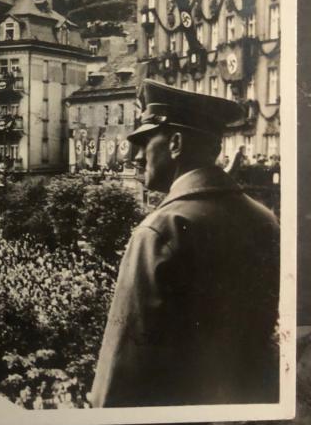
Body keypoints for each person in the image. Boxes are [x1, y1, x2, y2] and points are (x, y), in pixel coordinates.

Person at [90, 80, 280, 408]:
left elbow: (120, 376)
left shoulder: (161, 231)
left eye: (145, 141)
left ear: (175, 143)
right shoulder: (265, 220)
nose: (135, 155)